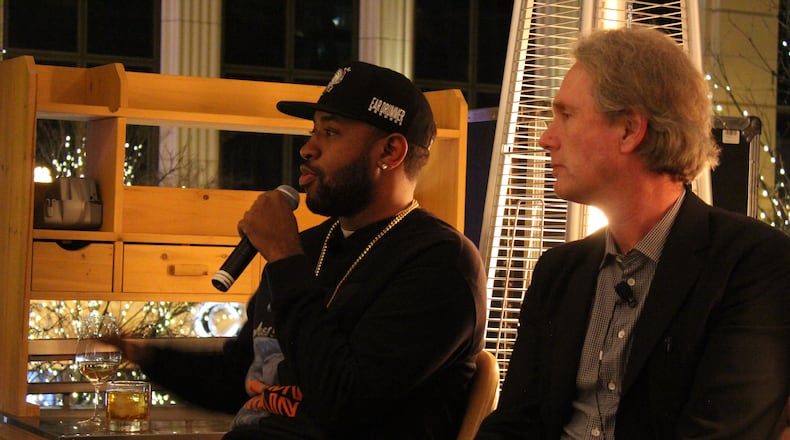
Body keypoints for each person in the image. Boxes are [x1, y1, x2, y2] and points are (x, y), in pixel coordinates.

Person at [118, 61, 487, 439]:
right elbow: (240, 378)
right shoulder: (309, 249)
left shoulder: (441, 263)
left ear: (390, 152)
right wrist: (143, 355)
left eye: (330, 132)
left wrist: (283, 255)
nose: (308, 148)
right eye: (313, 131)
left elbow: (344, 402)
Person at [476, 27, 790, 439]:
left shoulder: (755, 266)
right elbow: (514, 426)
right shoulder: (559, 270)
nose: (545, 138)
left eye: (566, 115)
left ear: (629, 130)